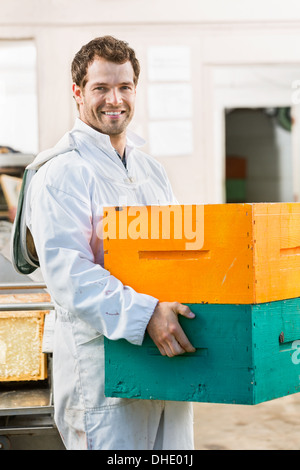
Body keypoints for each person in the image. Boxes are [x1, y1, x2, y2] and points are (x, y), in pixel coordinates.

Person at [25, 36, 196, 450]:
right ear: (78, 93)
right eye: (101, 88)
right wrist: (146, 314)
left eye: (124, 87)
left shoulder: (151, 170)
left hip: (164, 364)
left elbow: (173, 256)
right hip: (101, 375)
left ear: (136, 90)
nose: (113, 99)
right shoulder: (62, 172)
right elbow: (69, 276)